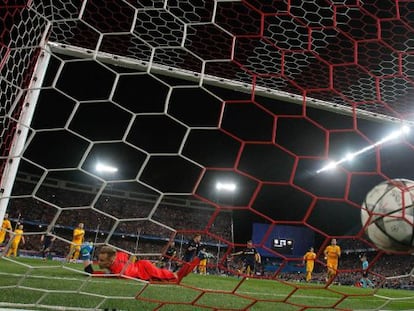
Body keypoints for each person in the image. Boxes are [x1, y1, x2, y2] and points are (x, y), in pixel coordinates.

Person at [84, 245, 201, 283]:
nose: (99, 262)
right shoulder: (119, 254)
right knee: (177, 275)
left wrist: (85, 256)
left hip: (146, 271)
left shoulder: (118, 271)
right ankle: (199, 258)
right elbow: (130, 257)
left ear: (111, 260)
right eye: (99, 259)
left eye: (102, 260)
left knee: (176, 278)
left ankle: (199, 257)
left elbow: (90, 272)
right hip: (142, 265)